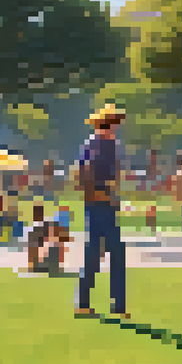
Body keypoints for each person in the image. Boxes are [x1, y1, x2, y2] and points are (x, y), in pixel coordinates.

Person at [74, 104, 129, 318]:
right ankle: (117, 305)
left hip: (99, 203)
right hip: (101, 203)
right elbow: (88, 175)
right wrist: (105, 193)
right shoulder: (103, 145)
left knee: (95, 253)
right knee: (112, 253)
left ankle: (85, 303)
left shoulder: (95, 144)